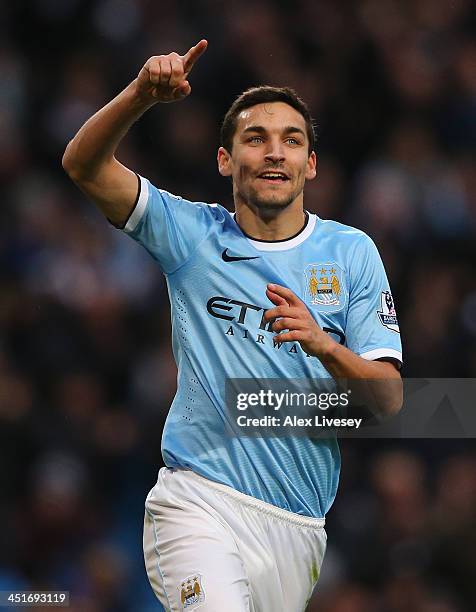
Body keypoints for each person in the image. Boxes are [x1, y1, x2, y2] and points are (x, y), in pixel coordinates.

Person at [62, 39, 403, 612]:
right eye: (256, 138)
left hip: (299, 526)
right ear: (224, 160)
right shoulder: (192, 236)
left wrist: (323, 345)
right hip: (198, 505)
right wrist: (141, 96)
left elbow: (389, 399)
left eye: (292, 141)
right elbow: (82, 165)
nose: (275, 153)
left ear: (310, 165)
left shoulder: (352, 252)